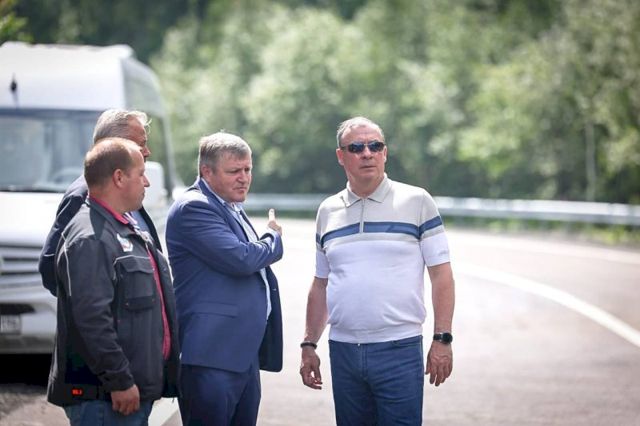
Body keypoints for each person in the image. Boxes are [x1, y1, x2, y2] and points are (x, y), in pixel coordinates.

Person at [299, 116, 456, 425]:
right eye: (356, 147)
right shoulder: (327, 211)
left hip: (399, 349)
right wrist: (308, 344)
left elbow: (442, 275)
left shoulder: (417, 201)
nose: (367, 153)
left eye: (375, 146)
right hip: (343, 351)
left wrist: (443, 338)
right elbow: (321, 283)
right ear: (341, 156)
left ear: (385, 152)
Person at [47, 138, 180, 425]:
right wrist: (119, 379)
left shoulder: (120, 227)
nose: (146, 182)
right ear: (119, 178)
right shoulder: (91, 237)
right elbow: (92, 318)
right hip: (107, 400)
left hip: (128, 395)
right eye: (141, 174)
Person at [166, 131, 284, 426]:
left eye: (247, 169)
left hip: (239, 355)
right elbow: (242, 259)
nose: (244, 178)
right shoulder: (195, 207)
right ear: (207, 171)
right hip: (212, 356)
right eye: (234, 171)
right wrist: (272, 237)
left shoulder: (229, 205)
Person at [39, 109, 161, 296]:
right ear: (115, 145)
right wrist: (106, 302)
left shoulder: (126, 187)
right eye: (141, 144)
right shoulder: (84, 194)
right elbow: (51, 265)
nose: (147, 151)